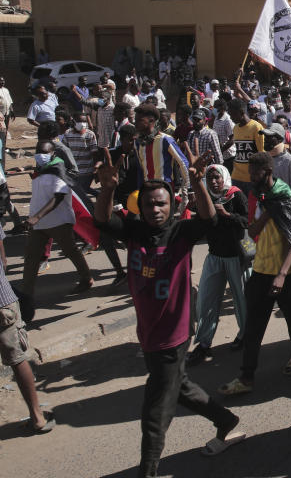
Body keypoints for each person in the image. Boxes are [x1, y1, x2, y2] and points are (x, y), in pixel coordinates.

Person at [94, 147, 245, 478]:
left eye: (161, 203)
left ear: (174, 204)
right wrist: (107, 188)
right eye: (149, 204)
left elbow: (210, 219)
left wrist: (198, 182)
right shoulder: (134, 231)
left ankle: (147, 470)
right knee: (180, 387)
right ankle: (226, 421)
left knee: (154, 412)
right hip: (147, 332)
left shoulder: (180, 232)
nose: (155, 210)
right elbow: (103, 220)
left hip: (174, 334)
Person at [219, 152, 291, 396]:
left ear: (267, 173)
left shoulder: (284, 196)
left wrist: (281, 275)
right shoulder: (260, 197)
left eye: (255, 173)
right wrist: (266, 209)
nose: (251, 177)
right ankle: (246, 377)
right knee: (254, 326)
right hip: (260, 269)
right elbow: (252, 229)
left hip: (284, 273)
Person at [187, 164, 250, 365]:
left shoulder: (236, 195)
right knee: (205, 300)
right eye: (210, 178)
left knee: (242, 301)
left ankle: (245, 336)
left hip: (236, 258)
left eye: (217, 177)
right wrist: (194, 207)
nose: (214, 181)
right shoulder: (205, 197)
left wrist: (228, 215)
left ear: (224, 177)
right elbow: (203, 225)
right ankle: (204, 344)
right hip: (214, 256)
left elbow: (247, 221)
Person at [21, 140, 93, 302]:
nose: (40, 155)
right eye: (38, 151)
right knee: (31, 258)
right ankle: (26, 295)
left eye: (44, 152)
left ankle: (86, 278)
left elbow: (58, 197)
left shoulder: (58, 170)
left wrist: (37, 217)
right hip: (38, 225)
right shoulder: (40, 170)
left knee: (71, 251)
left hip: (58, 222)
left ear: (53, 153)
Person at [0, 261, 54, 433]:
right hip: (3, 304)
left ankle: (37, 417)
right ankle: (38, 417)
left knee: (17, 360)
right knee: (17, 359)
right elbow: (3, 260)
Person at [227, 98, 265, 196]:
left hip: (251, 178)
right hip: (236, 176)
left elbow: (262, 154)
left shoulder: (256, 127)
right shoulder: (235, 128)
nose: (231, 118)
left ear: (241, 112)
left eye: (232, 114)